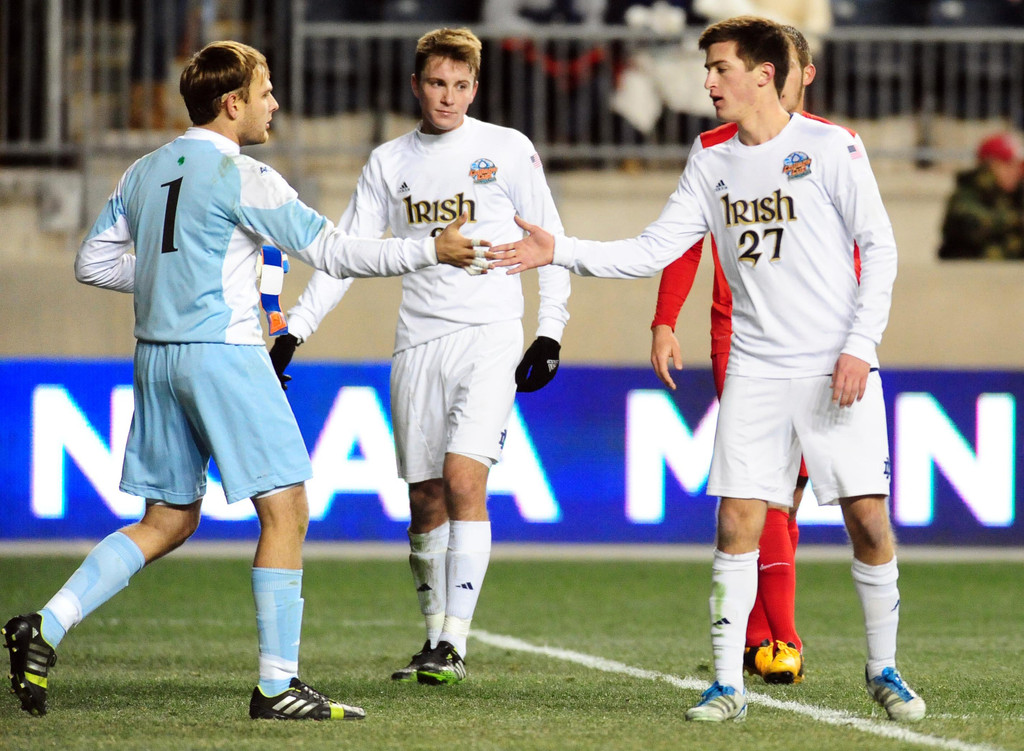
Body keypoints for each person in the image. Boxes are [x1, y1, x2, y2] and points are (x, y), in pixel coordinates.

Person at [3, 40, 489, 720]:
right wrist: (428, 247)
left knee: (168, 519)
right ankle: (276, 685)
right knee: (285, 508)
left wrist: (168, 280)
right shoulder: (247, 177)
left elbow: (92, 263)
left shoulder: (141, 172)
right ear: (232, 104)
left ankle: (43, 625)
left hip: (156, 356)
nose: (274, 104)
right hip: (224, 353)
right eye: (265, 93)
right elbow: (334, 250)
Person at [490, 15, 925, 723]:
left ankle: (883, 668)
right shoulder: (710, 155)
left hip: (832, 366)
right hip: (755, 368)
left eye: (721, 68)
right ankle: (727, 683)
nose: (708, 81)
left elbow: (880, 249)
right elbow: (655, 247)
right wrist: (559, 249)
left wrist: (860, 344)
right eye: (709, 68)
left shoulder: (831, 146)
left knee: (869, 520)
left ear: (764, 74)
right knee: (737, 524)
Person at [269, 28, 571, 686]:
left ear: (476, 87)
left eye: (461, 85)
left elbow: (551, 241)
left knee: (466, 479)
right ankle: (434, 636)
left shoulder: (508, 150)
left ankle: (455, 642)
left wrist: (549, 331)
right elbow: (346, 253)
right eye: (438, 83)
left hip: (490, 334)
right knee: (426, 499)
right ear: (416, 84)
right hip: (418, 343)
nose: (449, 96)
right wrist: (296, 328)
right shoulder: (388, 163)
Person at [649, 24, 827, 686]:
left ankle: (758, 632)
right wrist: (665, 318)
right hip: (742, 336)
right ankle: (781, 637)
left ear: (798, 76)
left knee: (789, 493)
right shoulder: (716, 151)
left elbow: (856, 247)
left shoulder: (828, 149)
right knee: (767, 487)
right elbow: (683, 237)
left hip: (816, 339)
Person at [938, 131, 1024, 260]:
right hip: (970, 273)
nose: (1015, 172)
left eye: (1017, 166)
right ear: (989, 166)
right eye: (1007, 165)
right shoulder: (968, 193)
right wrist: (1016, 220)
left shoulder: (1016, 194)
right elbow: (971, 225)